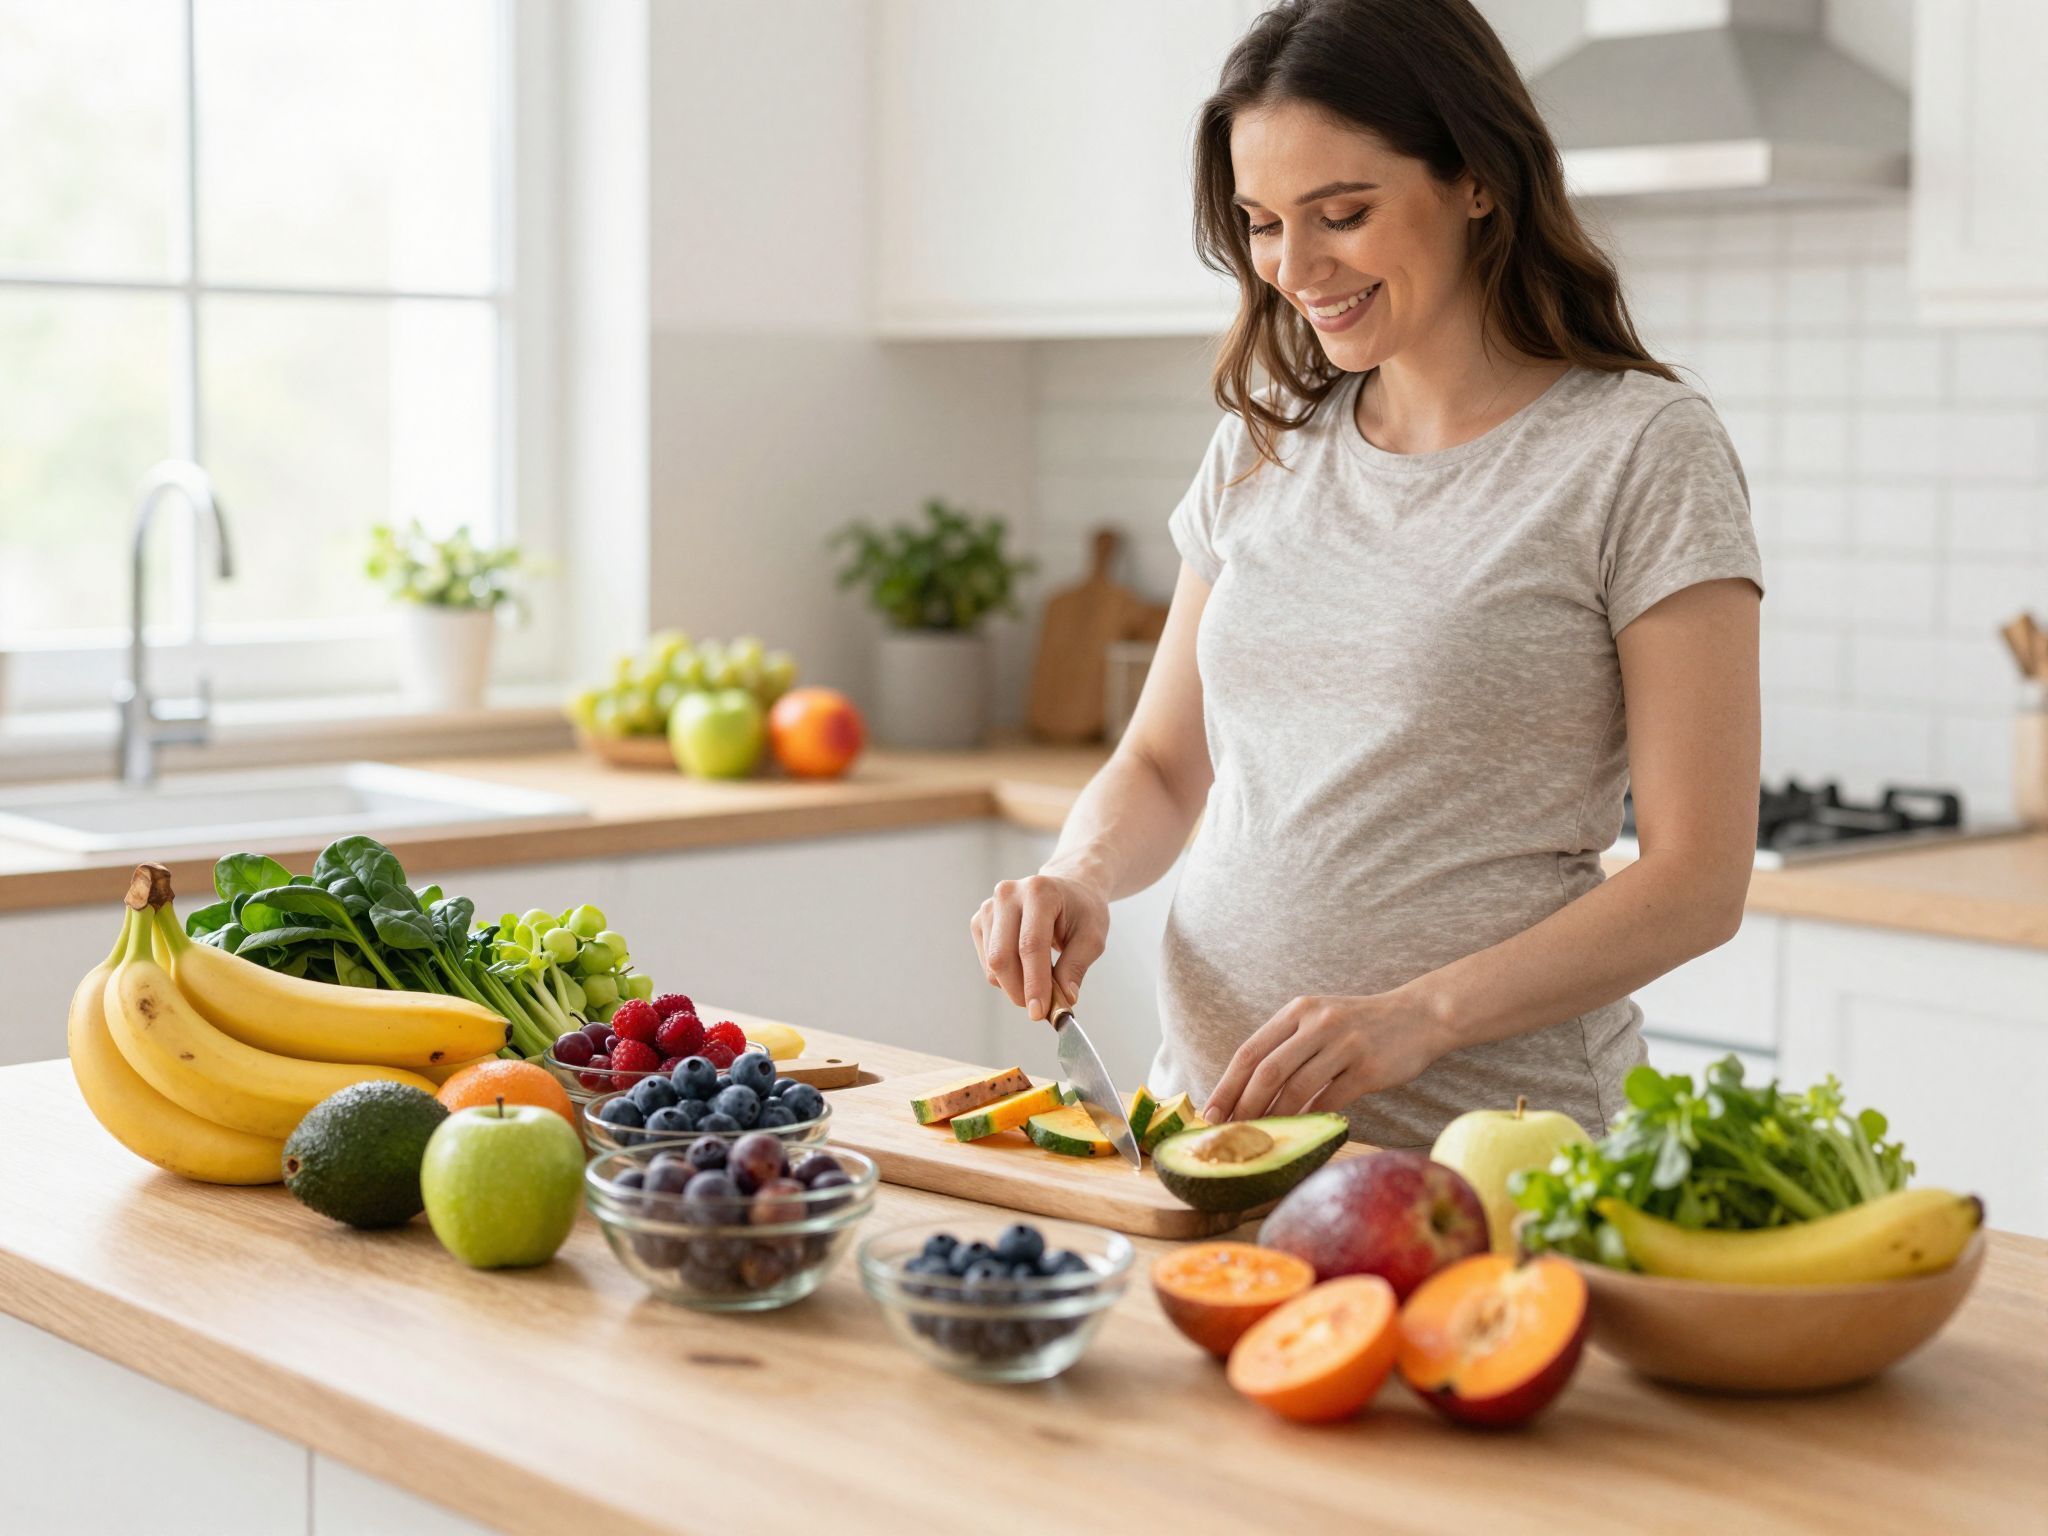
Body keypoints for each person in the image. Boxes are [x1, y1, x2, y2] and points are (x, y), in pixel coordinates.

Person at [969, 0, 1764, 1148]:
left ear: (1476, 179)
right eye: (1260, 223)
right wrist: (1079, 875)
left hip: (1485, 1155)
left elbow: (1697, 881)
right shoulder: (1262, 440)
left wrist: (1418, 1017)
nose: (1295, 268)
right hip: (1209, 1131)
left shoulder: (1638, 447)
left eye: (1341, 213)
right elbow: (1160, 763)